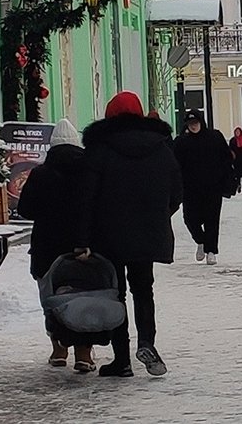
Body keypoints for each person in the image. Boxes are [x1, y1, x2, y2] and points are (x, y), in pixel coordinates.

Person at [76, 91, 183, 378]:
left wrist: (83, 239)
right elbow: (176, 191)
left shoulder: (99, 149)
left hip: (108, 234)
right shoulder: (161, 147)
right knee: (143, 289)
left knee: (116, 294)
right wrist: (158, 216)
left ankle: (121, 360)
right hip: (147, 232)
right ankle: (147, 342)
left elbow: (87, 197)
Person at [16, 118, 95, 373]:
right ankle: (84, 353)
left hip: (47, 248)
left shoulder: (40, 173)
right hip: (82, 247)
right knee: (84, 296)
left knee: (50, 296)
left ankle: (59, 348)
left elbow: (25, 209)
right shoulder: (89, 171)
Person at [173, 110, 233, 265]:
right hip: (190, 189)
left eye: (196, 123)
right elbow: (175, 166)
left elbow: (225, 160)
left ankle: (211, 251)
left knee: (211, 220)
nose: (193, 127)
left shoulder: (214, 138)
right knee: (190, 219)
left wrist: (228, 182)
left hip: (213, 188)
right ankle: (201, 240)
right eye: (190, 124)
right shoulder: (181, 142)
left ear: (201, 122)